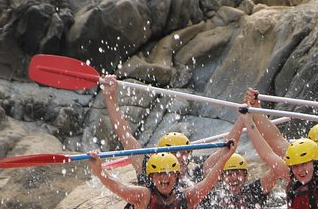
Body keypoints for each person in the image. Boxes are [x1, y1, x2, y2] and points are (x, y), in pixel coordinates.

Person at [86, 138, 238, 209]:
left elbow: (208, 182)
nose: (164, 178)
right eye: (159, 174)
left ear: (177, 176)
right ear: (152, 177)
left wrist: (225, 157)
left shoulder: (186, 197)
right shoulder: (144, 196)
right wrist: (100, 172)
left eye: (169, 173)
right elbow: (119, 187)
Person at [101, 75, 244, 187]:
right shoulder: (148, 170)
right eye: (175, 153)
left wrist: (244, 115)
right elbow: (125, 136)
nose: (181, 158)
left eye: (185, 153)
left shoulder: (197, 174)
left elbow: (227, 147)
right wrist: (110, 96)